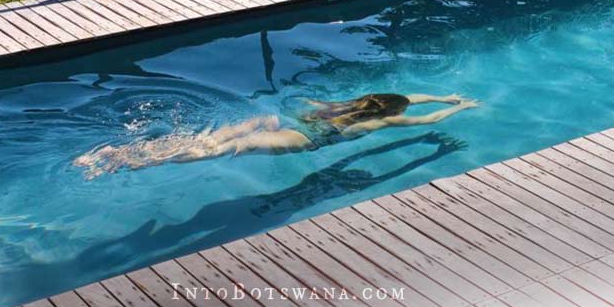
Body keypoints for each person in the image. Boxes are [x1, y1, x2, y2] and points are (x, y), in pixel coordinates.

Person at [73, 92, 479, 178]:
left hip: (276, 120)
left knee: (209, 137)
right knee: (224, 151)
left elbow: (408, 96)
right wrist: (456, 107)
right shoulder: (371, 124)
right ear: (387, 114)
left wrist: (440, 93)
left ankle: (120, 150)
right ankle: (126, 164)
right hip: (300, 139)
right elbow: (426, 122)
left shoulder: (343, 104)